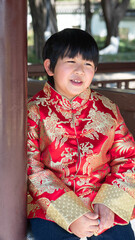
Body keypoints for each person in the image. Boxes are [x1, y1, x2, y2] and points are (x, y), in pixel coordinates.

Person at [27, 28, 135, 240]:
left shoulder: (107, 110)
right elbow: (30, 167)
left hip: (101, 202)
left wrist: (109, 203)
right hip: (50, 205)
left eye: (88, 64)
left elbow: (127, 158)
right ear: (49, 67)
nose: (80, 71)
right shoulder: (33, 111)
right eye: (71, 62)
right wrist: (71, 213)